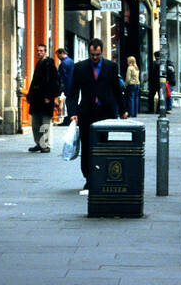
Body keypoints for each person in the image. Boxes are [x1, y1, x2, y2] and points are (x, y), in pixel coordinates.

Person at [65, 39, 127, 194]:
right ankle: (88, 178)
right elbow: (72, 92)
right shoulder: (80, 68)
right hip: (86, 113)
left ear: (102, 52)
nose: (94, 57)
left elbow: (116, 90)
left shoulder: (111, 67)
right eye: (92, 54)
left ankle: (100, 176)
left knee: (103, 146)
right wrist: (72, 113)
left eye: (97, 55)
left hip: (105, 113)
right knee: (87, 146)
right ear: (89, 52)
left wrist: (123, 110)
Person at [26, 44, 61, 152]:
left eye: (41, 51)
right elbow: (34, 81)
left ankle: (45, 145)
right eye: (38, 51)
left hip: (45, 98)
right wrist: (30, 95)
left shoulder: (49, 63)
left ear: (45, 52)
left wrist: (49, 96)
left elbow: (53, 81)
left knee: (44, 122)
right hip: (36, 98)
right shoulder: (38, 63)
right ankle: (38, 143)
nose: (39, 53)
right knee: (36, 123)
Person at [56, 48, 75, 123]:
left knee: (67, 103)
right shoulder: (71, 61)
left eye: (58, 55)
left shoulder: (63, 64)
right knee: (71, 103)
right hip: (73, 86)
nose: (58, 57)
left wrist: (60, 90)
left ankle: (68, 119)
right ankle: (70, 117)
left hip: (67, 87)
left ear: (61, 53)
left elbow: (62, 78)